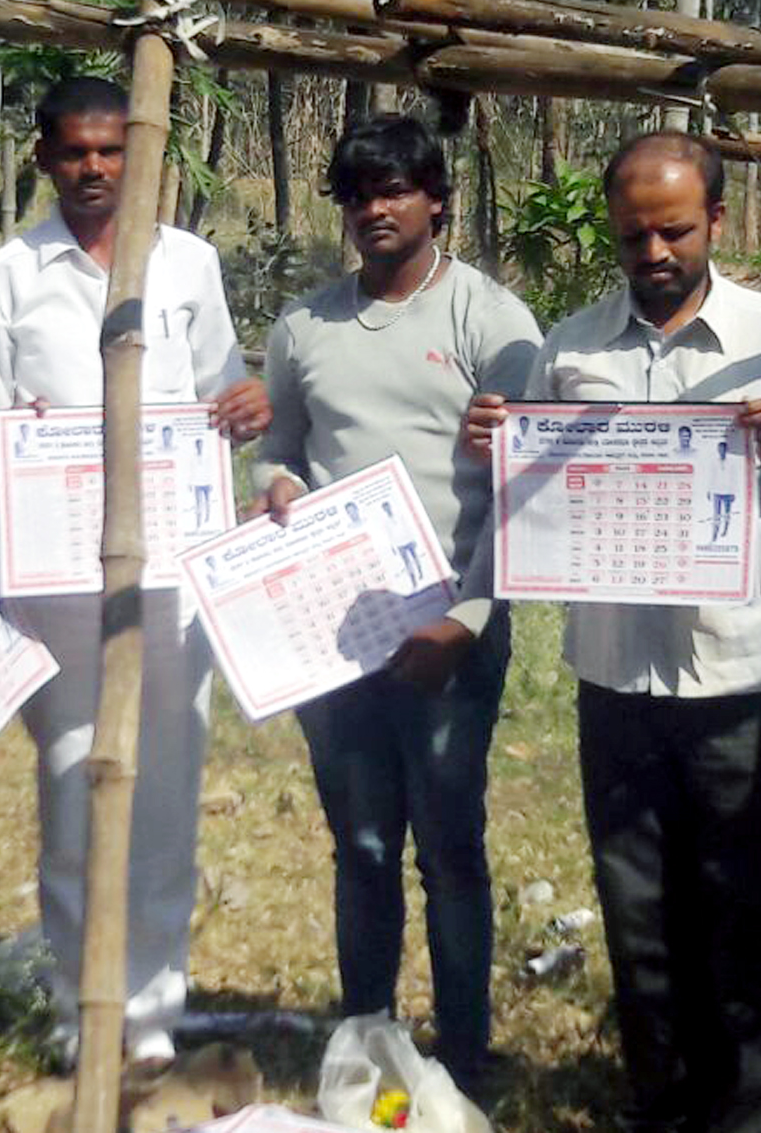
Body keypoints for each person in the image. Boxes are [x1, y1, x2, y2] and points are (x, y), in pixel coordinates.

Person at [464, 131, 761, 1133]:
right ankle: (660, 1100)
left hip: (739, 669)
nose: (656, 252)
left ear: (718, 219)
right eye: (634, 235)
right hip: (614, 670)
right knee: (634, 904)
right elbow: (535, 491)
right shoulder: (574, 346)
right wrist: (496, 445)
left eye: (675, 229)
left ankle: (746, 1107)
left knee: (738, 898)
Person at [0, 75, 270, 1067]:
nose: (96, 171)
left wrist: (244, 407)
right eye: (76, 153)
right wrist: (12, 450)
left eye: (113, 153)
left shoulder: (185, 262)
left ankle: (153, 1020)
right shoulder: (2, 276)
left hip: (173, 572)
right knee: (73, 788)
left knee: (169, 791)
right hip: (58, 576)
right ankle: (78, 1013)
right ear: (44, 159)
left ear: (140, 160)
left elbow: (222, 382)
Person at [250, 114, 541, 1094]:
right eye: (357, 195)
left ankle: (464, 1054)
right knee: (363, 845)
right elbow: (279, 449)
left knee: (450, 847)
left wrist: (468, 619)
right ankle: (365, 1036)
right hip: (337, 637)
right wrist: (275, 485)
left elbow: (523, 489)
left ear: (436, 201)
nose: (375, 210)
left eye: (396, 191)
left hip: (449, 631)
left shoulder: (492, 322)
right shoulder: (303, 327)